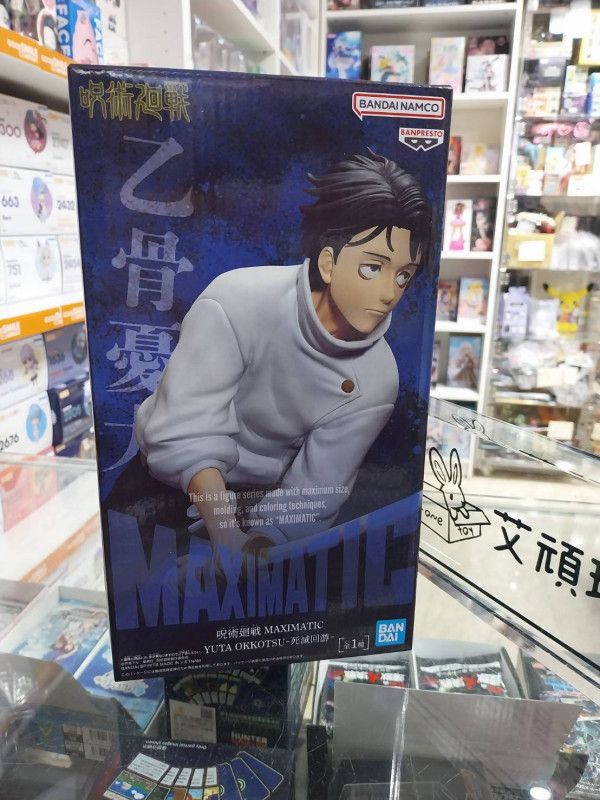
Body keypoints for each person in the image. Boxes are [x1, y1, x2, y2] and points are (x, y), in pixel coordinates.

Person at [136, 152, 432, 555]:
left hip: (265, 502)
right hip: (164, 484)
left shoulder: (378, 377)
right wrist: (225, 535)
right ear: (328, 263)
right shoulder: (237, 299)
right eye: (372, 268)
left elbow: (315, 491)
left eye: (403, 275)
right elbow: (184, 429)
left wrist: (260, 548)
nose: (388, 293)